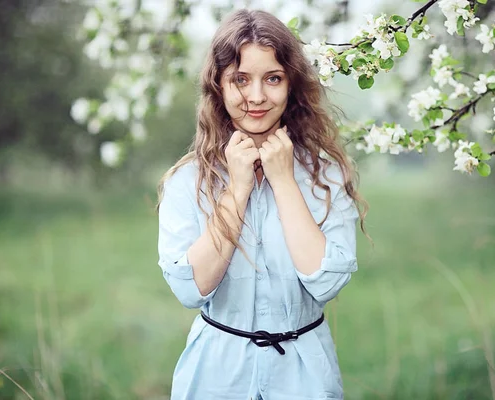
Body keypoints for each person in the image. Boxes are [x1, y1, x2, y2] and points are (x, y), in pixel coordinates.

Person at [156, 8, 367, 400]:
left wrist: (284, 179)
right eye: (240, 80)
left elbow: (327, 281)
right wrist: (236, 189)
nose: (256, 97)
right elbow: (191, 289)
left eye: (273, 78)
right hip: (216, 375)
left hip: (304, 375)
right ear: (218, 85)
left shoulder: (327, 174)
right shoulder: (186, 182)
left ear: (291, 86)